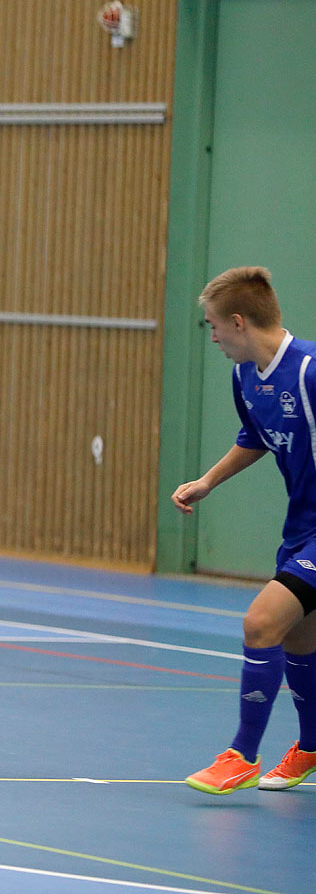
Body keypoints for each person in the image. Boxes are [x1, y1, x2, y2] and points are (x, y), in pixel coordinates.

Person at [176, 267, 316, 794]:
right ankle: (310, 747)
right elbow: (256, 436)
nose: (210, 336)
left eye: (213, 326)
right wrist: (208, 481)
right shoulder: (245, 378)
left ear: (238, 322)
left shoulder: (310, 371)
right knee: (300, 639)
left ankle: (242, 754)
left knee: (261, 623)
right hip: (302, 525)